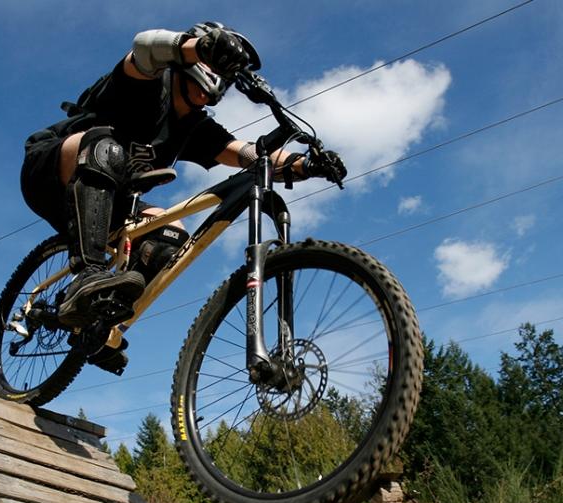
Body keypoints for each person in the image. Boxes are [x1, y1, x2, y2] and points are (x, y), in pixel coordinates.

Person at [20, 21, 343, 331]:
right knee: (105, 147)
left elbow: (244, 152)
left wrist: (305, 165)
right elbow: (144, 49)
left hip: (110, 201)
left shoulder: (195, 126)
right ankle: (88, 274)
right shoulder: (146, 82)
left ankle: (102, 323)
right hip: (49, 172)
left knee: (171, 233)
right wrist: (200, 46)